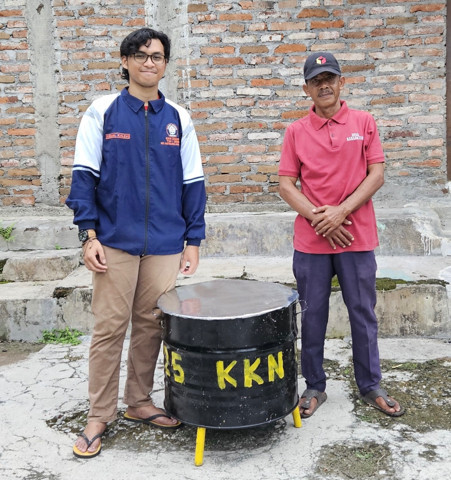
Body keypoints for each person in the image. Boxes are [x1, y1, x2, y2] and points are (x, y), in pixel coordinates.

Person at [66, 27, 206, 458]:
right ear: (125, 61)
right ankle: (98, 415)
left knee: (151, 325)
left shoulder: (178, 117)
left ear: (166, 64)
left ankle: (139, 402)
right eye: (142, 55)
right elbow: (83, 176)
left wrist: (193, 239)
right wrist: (88, 235)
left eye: (158, 56)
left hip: (165, 241)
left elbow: (193, 182)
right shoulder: (102, 111)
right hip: (115, 241)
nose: (150, 62)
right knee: (110, 328)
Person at [278, 52, 404, 419]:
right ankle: (314, 386)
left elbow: (376, 174)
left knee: (363, 313)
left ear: (341, 82)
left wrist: (341, 212)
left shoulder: (363, 122)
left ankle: (370, 385)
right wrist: (320, 219)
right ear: (306, 89)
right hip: (312, 240)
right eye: (316, 81)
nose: (324, 85)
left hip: (357, 236)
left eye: (330, 78)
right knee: (312, 313)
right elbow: (286, 184)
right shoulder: (296, 132)